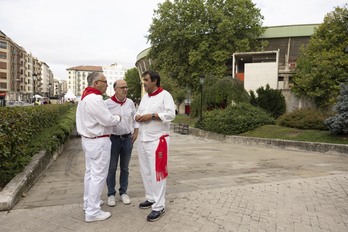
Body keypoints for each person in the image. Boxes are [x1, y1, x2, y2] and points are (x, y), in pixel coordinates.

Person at [76, 71, 122, 223]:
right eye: (104, 81)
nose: (107, 85)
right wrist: (118, 117)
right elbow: (108, 120)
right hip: (98, 141)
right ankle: (93, 211)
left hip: (88, 140)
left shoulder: (84, 98)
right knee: (98, 175)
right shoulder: (95, 99)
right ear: (96, 83)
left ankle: (88, 202)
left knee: (90, 173)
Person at [135, 70, 176, 222]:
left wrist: (152, 115)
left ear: (154, 81)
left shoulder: (165, 95)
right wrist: (137, 116)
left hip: (158, 140)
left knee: (157, 173)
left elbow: (171, 114)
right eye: (143, 80)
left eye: (146, 80)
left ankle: (159, 206)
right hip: (143, 139)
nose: (143, 83)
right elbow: (138, 112)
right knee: (146, 171)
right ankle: (151, 198)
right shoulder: (145, 97)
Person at [105, 79, 139, 206]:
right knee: (111, 168)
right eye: (122, 87)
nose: (125, 89)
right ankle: (111, 194)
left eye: (126, 87)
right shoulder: (107, 104)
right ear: (115, 89)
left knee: (125, 168)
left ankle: (123, 192)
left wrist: (136, 132)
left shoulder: (130, 103)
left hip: (127, 139)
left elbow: (135, 118)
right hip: (113, 140)